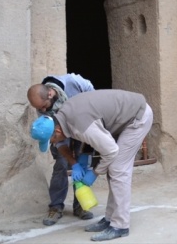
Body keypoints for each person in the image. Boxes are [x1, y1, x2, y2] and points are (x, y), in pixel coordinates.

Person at [31, 89, 153, 242]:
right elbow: (88, 138)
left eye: (52, 141)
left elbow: (111, 150)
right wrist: (80, 162)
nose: (54, 144)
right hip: (124, 117)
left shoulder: (80, 124)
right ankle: (110, 219)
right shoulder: (63, 118)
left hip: (137, 117)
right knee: (113, 169)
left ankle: (120, 226)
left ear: (56, 130)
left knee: (118, 169)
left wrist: (95, 173)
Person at [27, 74, 95, 225]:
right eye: (39, 109)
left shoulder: (73, 82)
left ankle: (81, 206)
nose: (43, 110)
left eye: (44, 106)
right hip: (61, 132)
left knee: (82, 164)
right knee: (61, 165)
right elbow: (57, 140)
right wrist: (70, 159)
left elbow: (93, 96)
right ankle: (56, 207)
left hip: (81, 125)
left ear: (50, 93)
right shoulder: (43, 110)